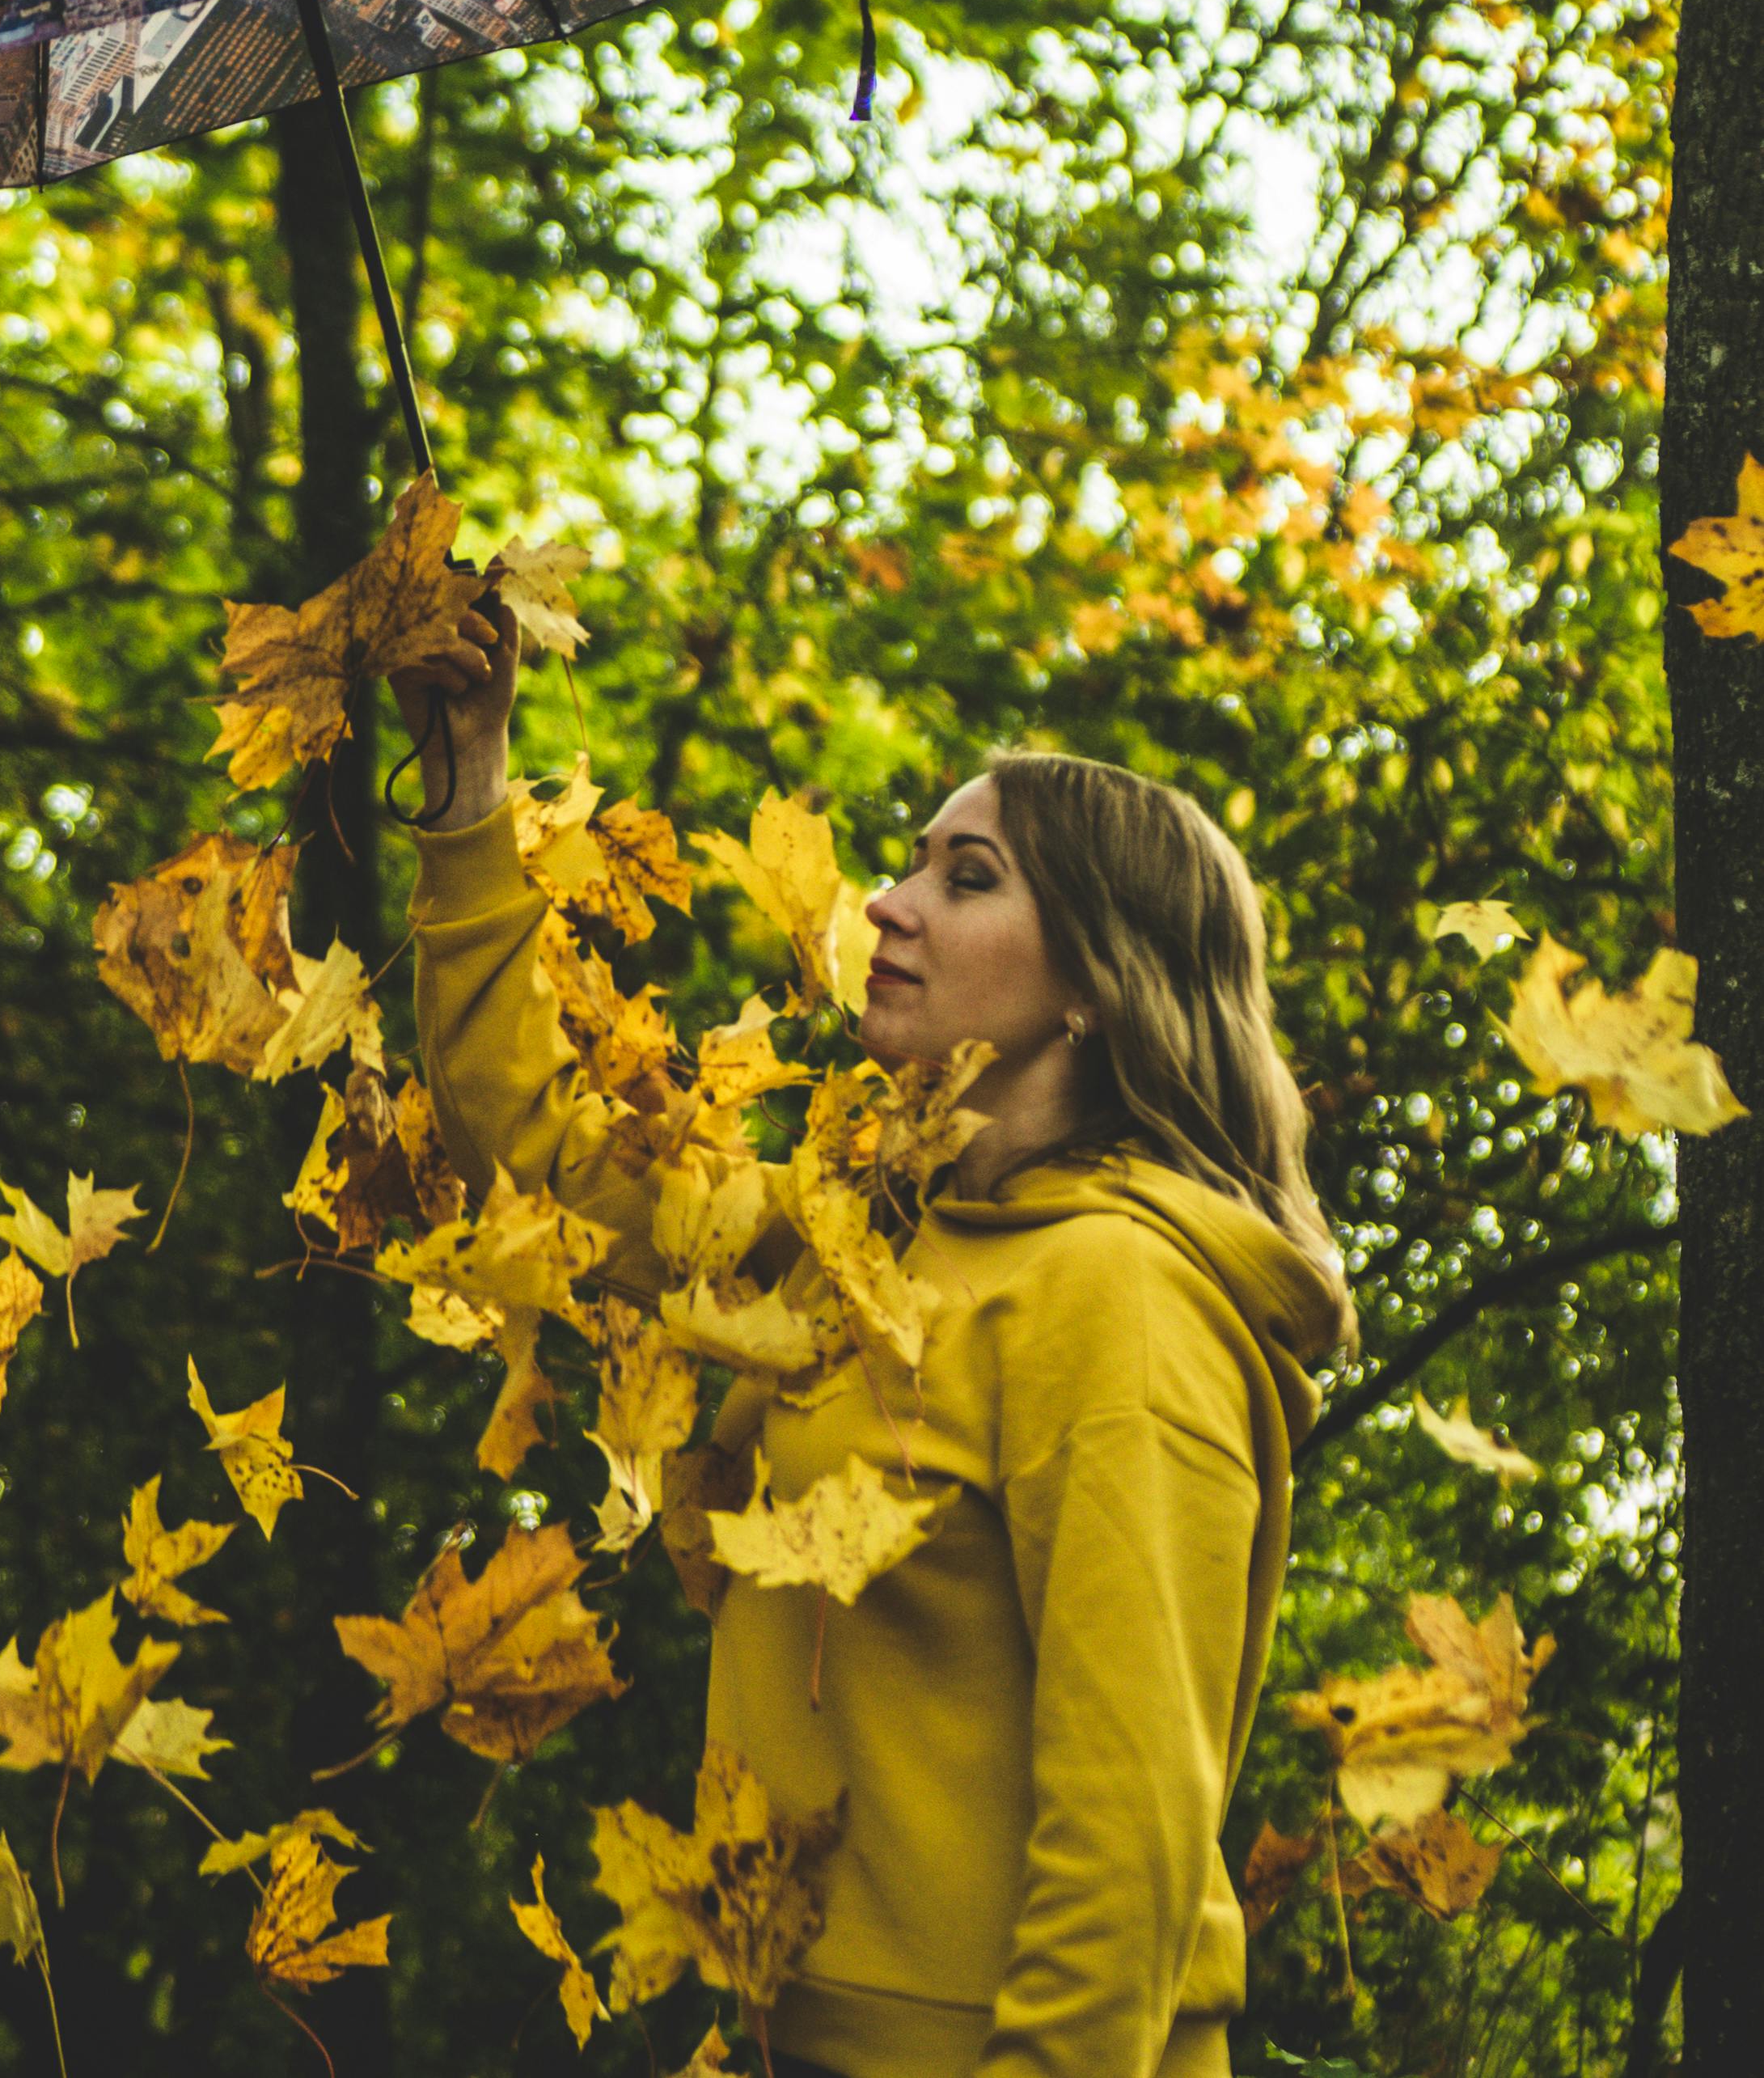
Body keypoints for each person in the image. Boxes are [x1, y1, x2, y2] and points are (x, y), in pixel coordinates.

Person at [386, 595, 1357, 2078]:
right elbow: (539, 1153)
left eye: (966, 878)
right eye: (911, 861)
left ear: (1098, 985)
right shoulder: (863, 1240)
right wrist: (469, 791)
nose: (891, 903)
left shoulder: (1121, 1300)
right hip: (788, 2034)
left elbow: (1133, 1822)